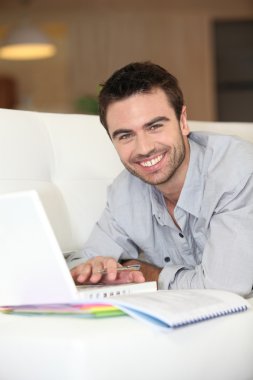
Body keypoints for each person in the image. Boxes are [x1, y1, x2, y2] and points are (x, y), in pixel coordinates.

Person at [69, 61, 253, 296]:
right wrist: (90, 270)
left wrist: (147, 273)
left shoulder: (236, 171)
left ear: (183, 121)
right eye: (125, 135)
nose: (144, 148)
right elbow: (86, 261)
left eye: (154, 126)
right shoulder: (124, 191)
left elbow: (225, 288)